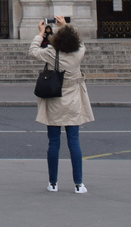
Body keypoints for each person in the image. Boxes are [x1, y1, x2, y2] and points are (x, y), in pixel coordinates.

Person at [31, 18, 94, 193]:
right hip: (73, 101)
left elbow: (33, 51)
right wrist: (66, 26)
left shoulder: (52, 53)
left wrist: (41, 33)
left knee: (53, 143)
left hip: (54, 100)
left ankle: (53, 183)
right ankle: (79, 184)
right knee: (74, 142)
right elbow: (80, 41)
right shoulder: (78, 52)